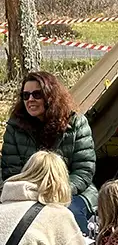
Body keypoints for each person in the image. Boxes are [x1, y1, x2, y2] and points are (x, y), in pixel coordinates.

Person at [1, 71, 97, 235]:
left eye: (37, 94)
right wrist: (32, 195)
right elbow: (11, 170)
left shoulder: (76, 124)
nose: (30, 99)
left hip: (70, 192)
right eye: (25, 95)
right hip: (27, 193)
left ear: (50, 96)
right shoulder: (15, 127)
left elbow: (84, 171)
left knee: (69, 218)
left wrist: (56, 193)